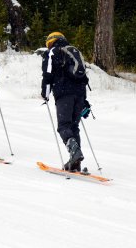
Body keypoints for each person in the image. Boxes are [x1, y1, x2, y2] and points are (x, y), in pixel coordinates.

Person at [41, 32, 90, 172]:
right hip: (79, 94)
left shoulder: (52, 52)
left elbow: (47, 75)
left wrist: (45, 94)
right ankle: (75, 163)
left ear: (50, 41)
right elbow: (83, 76)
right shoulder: (74, 51)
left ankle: (74, 153)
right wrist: (84, 100)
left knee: (63, 126)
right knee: (74, 127)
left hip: (64, 93)